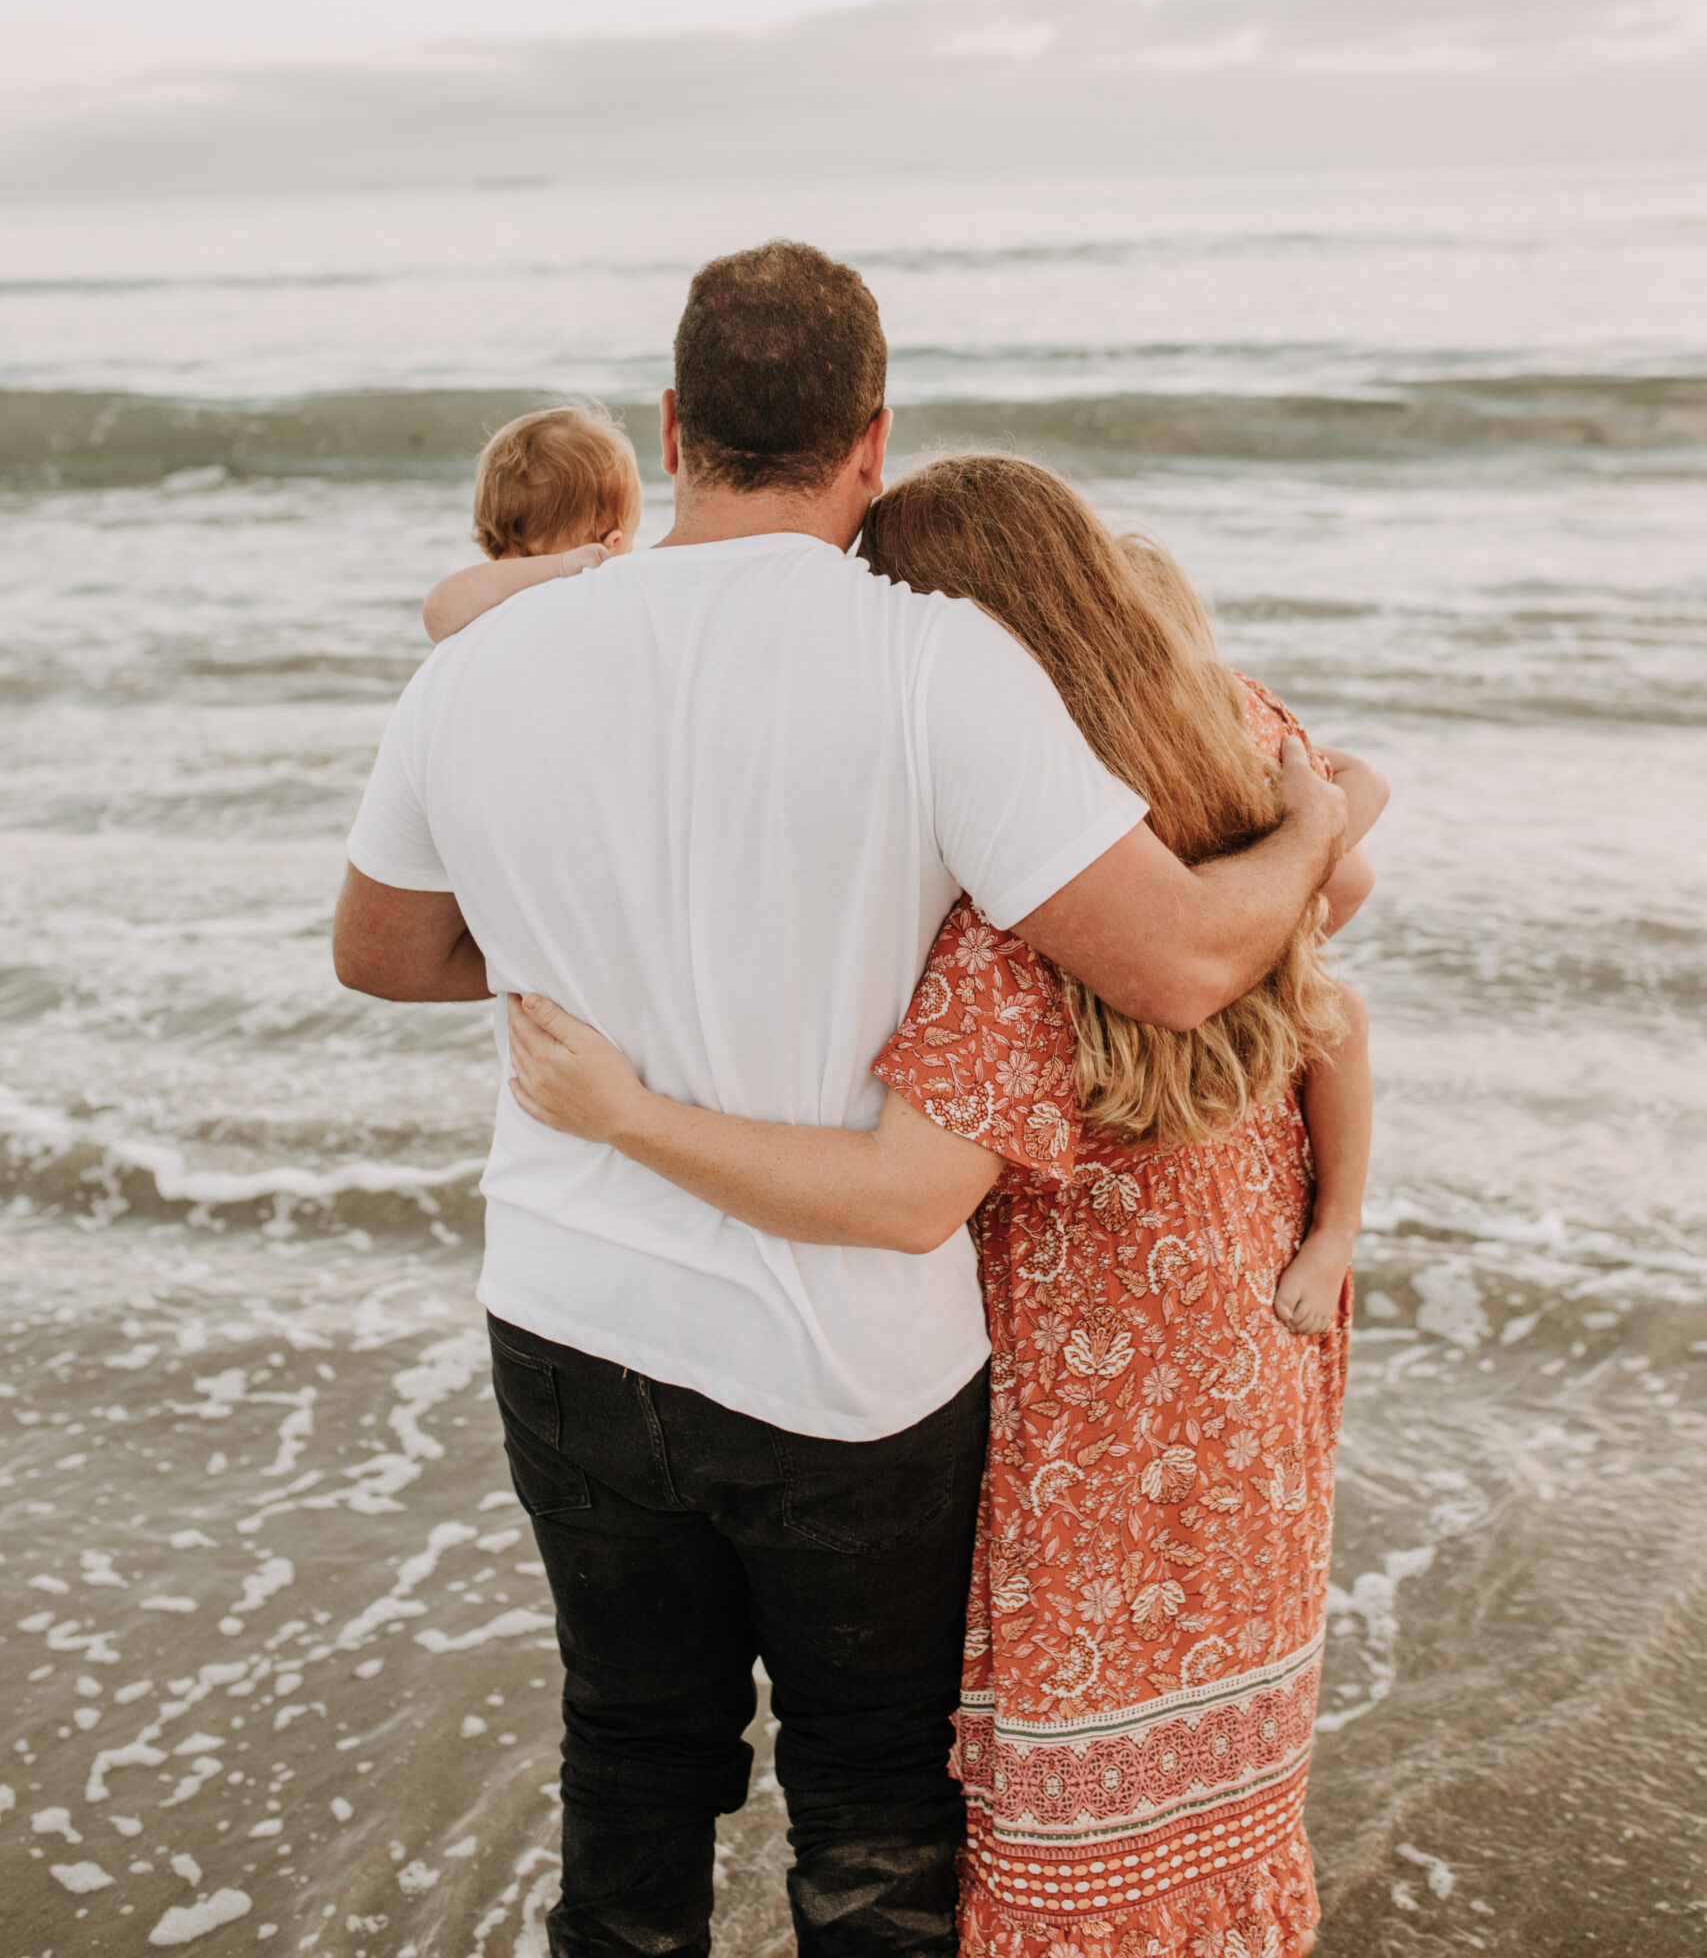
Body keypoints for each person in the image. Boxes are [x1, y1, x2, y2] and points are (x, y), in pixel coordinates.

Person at [332, 242, 1351, 1958]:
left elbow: (383, 953)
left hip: (568, 1318)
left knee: (632, 1761)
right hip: (844, 1367)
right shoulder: (939, 665)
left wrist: (587, 1004)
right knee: (872, 1803)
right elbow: (1179, 968)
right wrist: (1318, 829)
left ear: (672, 427)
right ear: (872, 442)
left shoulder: (482, 668)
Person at [421, 402, 645, 643]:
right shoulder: (492, 601)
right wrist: (561, 567)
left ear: (486, 544)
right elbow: (436, 611)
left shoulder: (486, 600)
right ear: (612, 543)